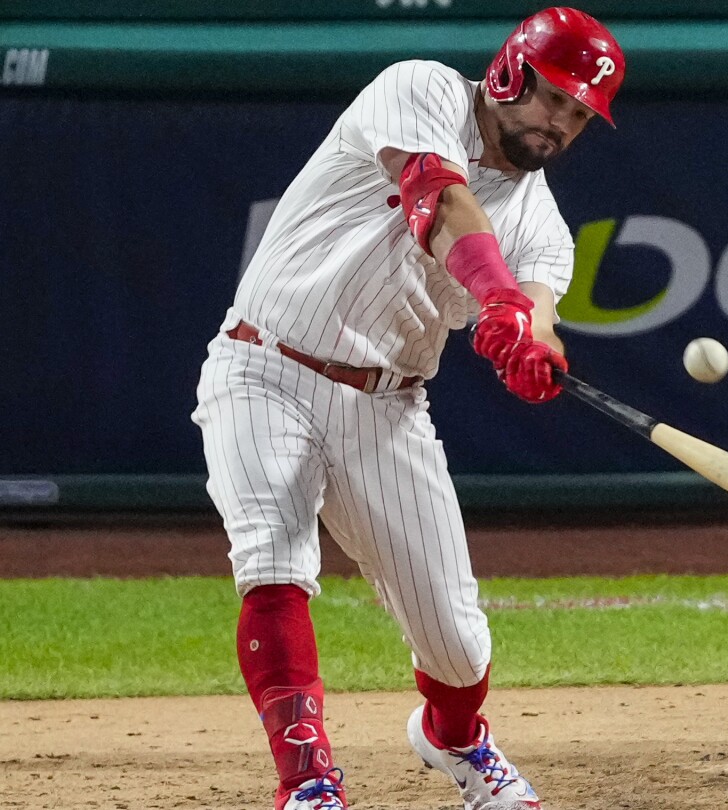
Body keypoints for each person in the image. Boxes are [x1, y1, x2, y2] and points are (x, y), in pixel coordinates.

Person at [190, 9, 624, 809]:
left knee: (458, 646)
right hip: (263, 364)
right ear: (510, 73)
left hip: (386, 406)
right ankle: (309, 783)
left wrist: (532, 348)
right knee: (274, 561)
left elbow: (538, 308)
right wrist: (493, 298)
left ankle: (455, 738)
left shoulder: (541, 221)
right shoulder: (421, 88)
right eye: (553, 98)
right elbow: (436, 193)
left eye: (578, 115)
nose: (559, 124)